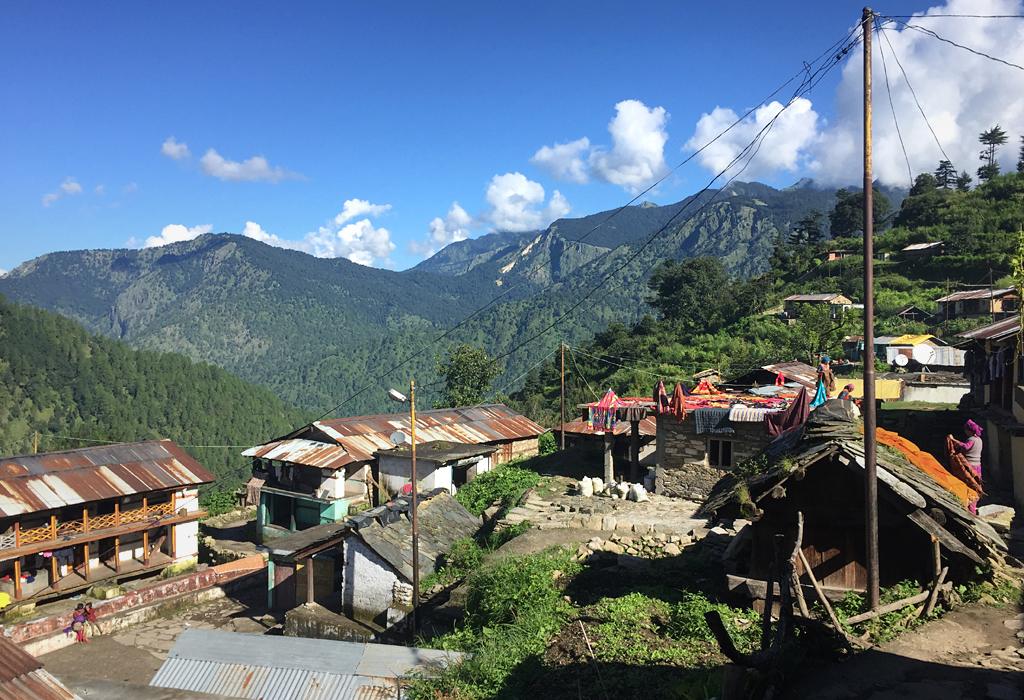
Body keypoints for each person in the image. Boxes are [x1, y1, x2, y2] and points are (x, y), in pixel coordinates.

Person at [948, 419, 984, 513]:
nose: (965, 432)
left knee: (970, 487)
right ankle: (973, 507)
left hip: (970, 466)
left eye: (966, 430)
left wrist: (953, 440)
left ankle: (971, 509)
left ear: (969, 430)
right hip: (978, 466)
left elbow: (965, 447)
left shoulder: (971, 440)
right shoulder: (979, 440)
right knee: (976, 485)